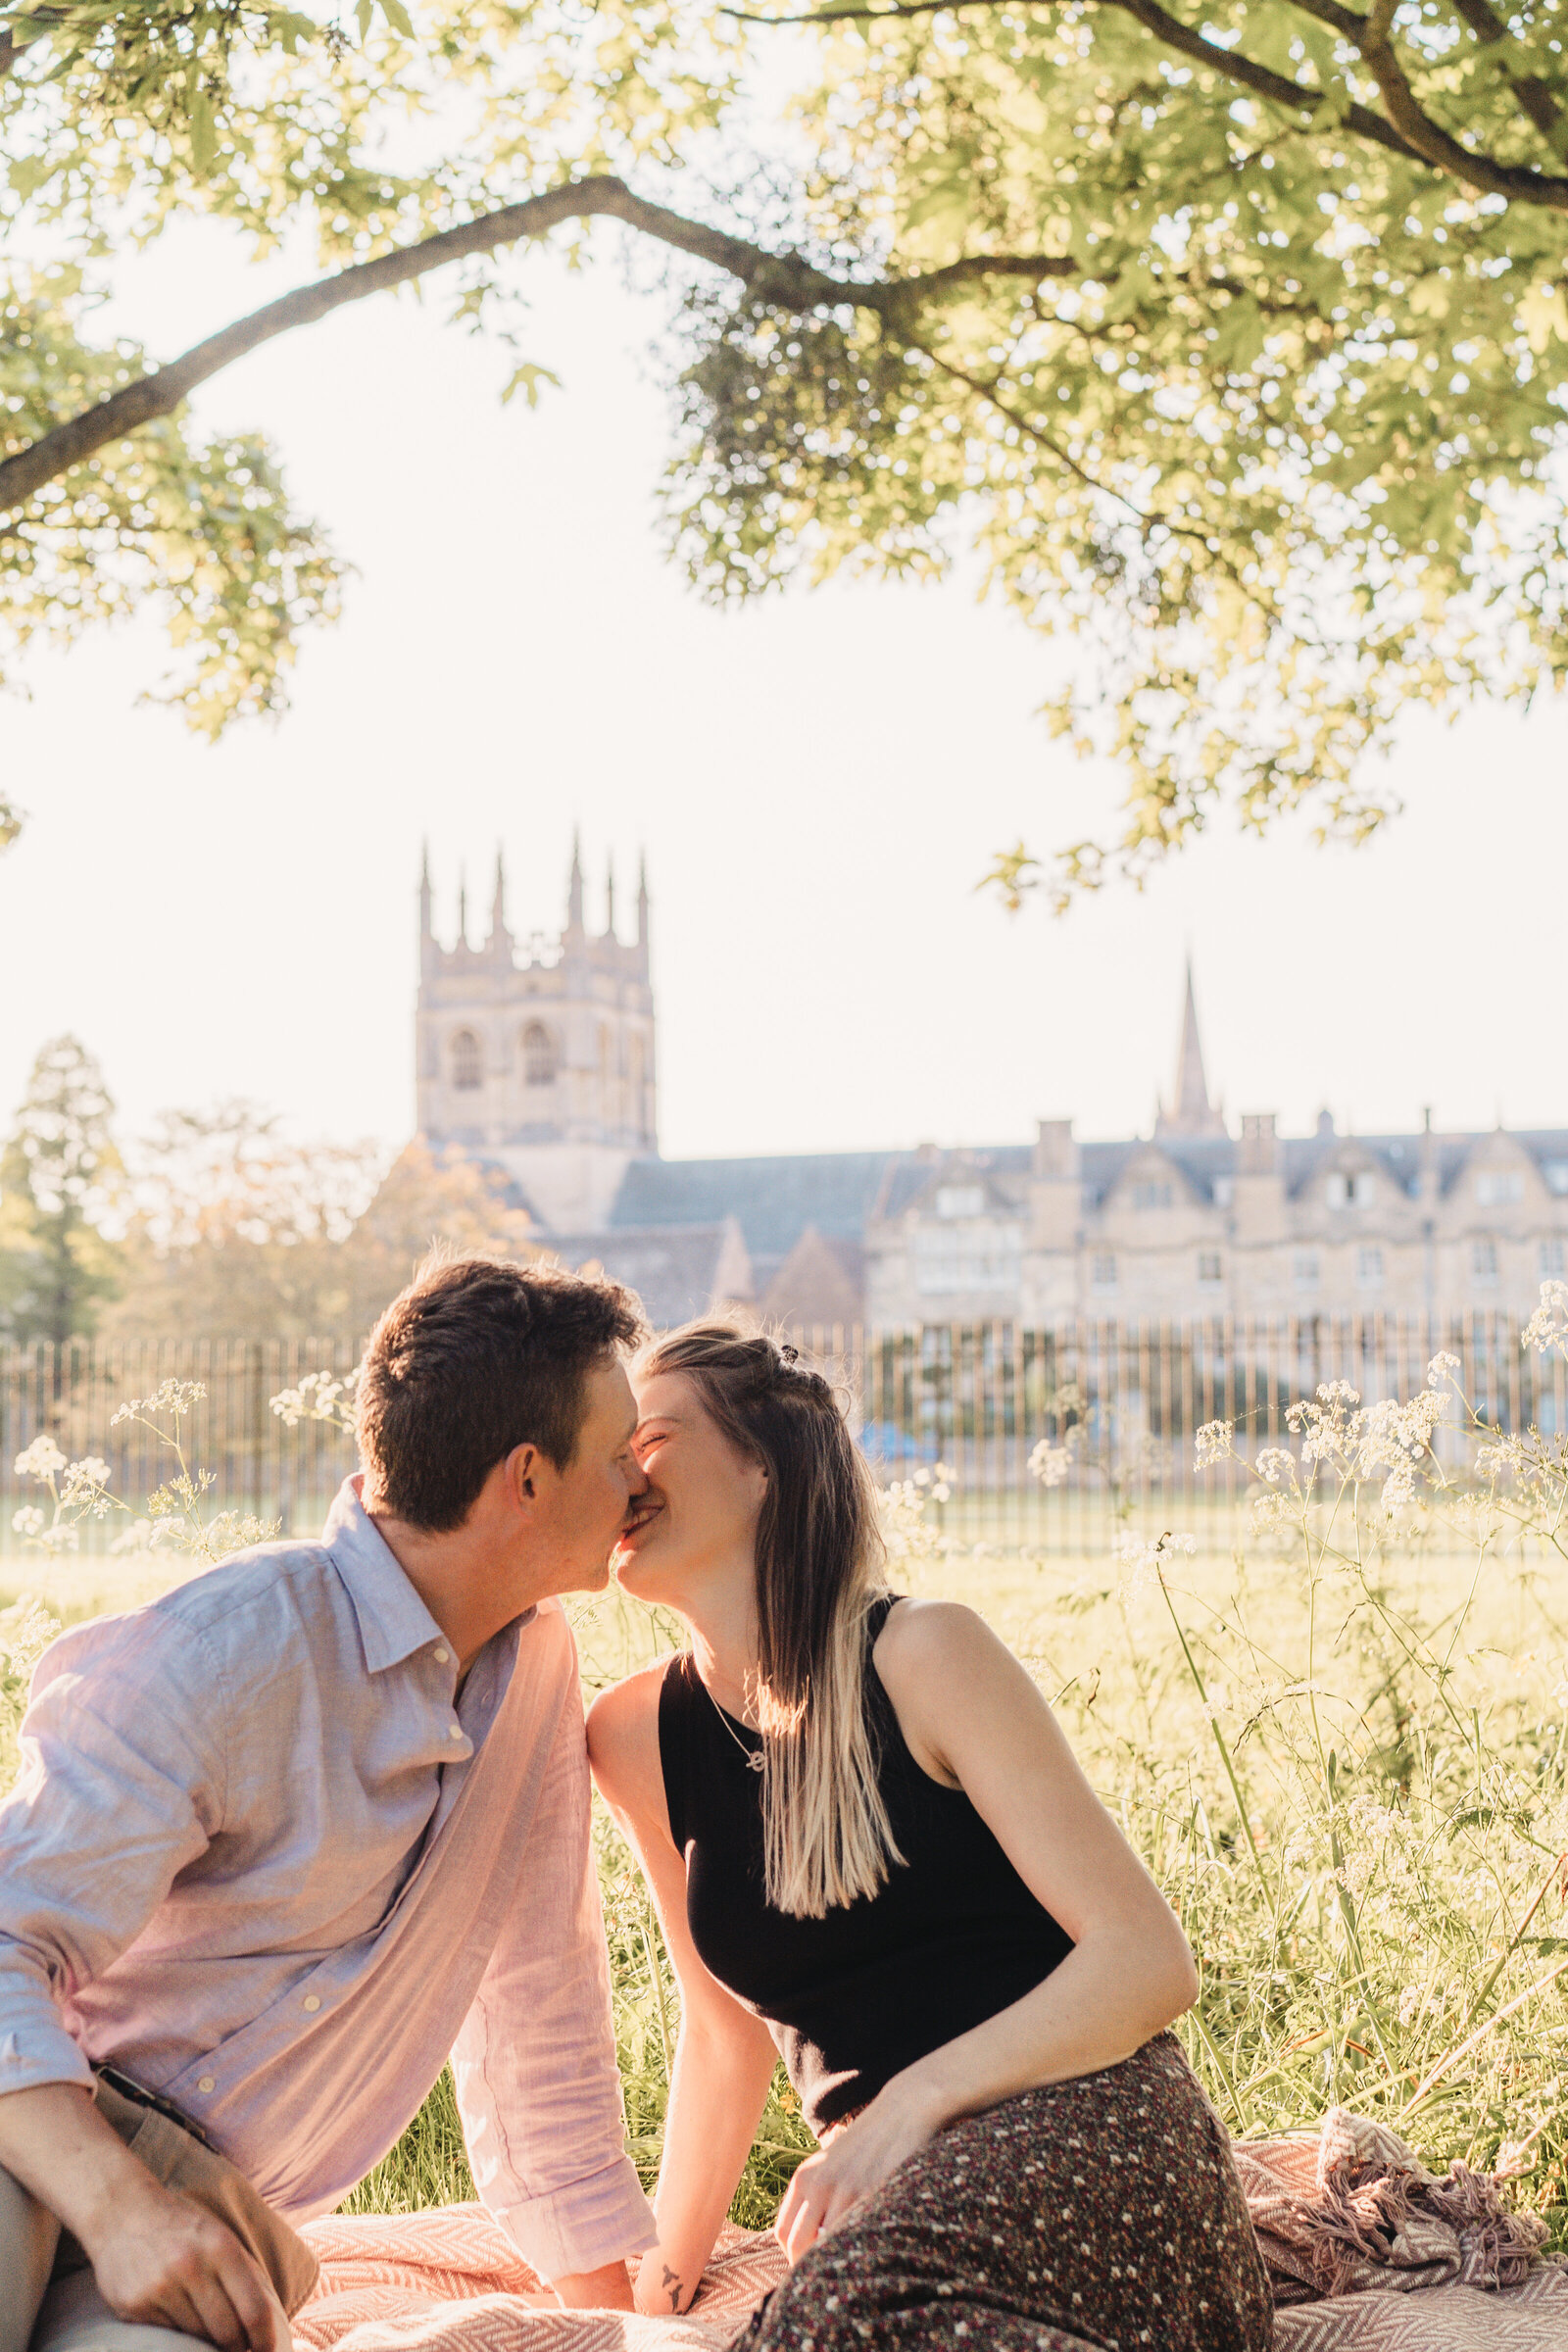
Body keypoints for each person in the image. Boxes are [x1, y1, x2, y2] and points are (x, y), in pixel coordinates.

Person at [0, 1256, 659, 2352]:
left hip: (212, 2227)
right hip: (40, 2140)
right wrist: (120, 2210)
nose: (640, 1481)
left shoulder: (537, 1678)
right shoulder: (227, 1652)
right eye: (619, 1450)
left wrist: (613, 2329)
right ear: (527, 1479)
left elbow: (539, 2014)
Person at [588, 1323, 1273, 2350]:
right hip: (906, 2190)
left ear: (762, 1465)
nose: (622, 1475)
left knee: (836, 2316)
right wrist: (663, 2278)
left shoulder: (924, 1655)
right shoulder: (631, 1737)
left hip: (1086, 2120)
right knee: (839, 2314)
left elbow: (1145, 1961)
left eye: (653, 1439)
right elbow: (722, 2033)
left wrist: (913, 2106)